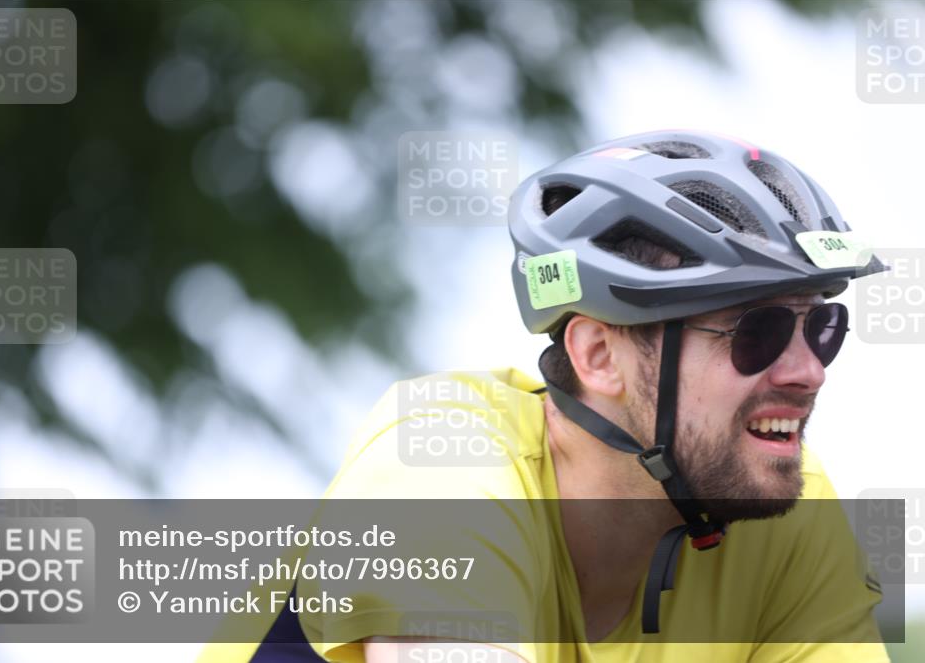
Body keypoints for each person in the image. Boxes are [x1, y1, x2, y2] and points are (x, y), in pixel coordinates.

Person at [201, 130, 890, 663]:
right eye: (758, 332)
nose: (808, 370)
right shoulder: (443, 468)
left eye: (821, 327)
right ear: (598, 354)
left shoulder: (785, 511)